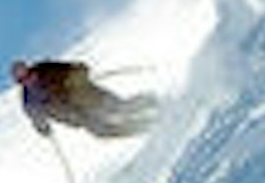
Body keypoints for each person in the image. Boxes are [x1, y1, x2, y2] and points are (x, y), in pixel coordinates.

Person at [11, 59, 156, 139]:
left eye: (27, 74)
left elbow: (73, 67)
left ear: (30, 70)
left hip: (87, 96)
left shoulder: (45, 69)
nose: (27, 80)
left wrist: (79, 73)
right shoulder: (29, 100)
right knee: (102, 131)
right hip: (77, 115)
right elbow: (36, 118)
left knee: (119, 108)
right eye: (22, 79)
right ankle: (145, 126)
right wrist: (43, 128)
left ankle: (152, 102)